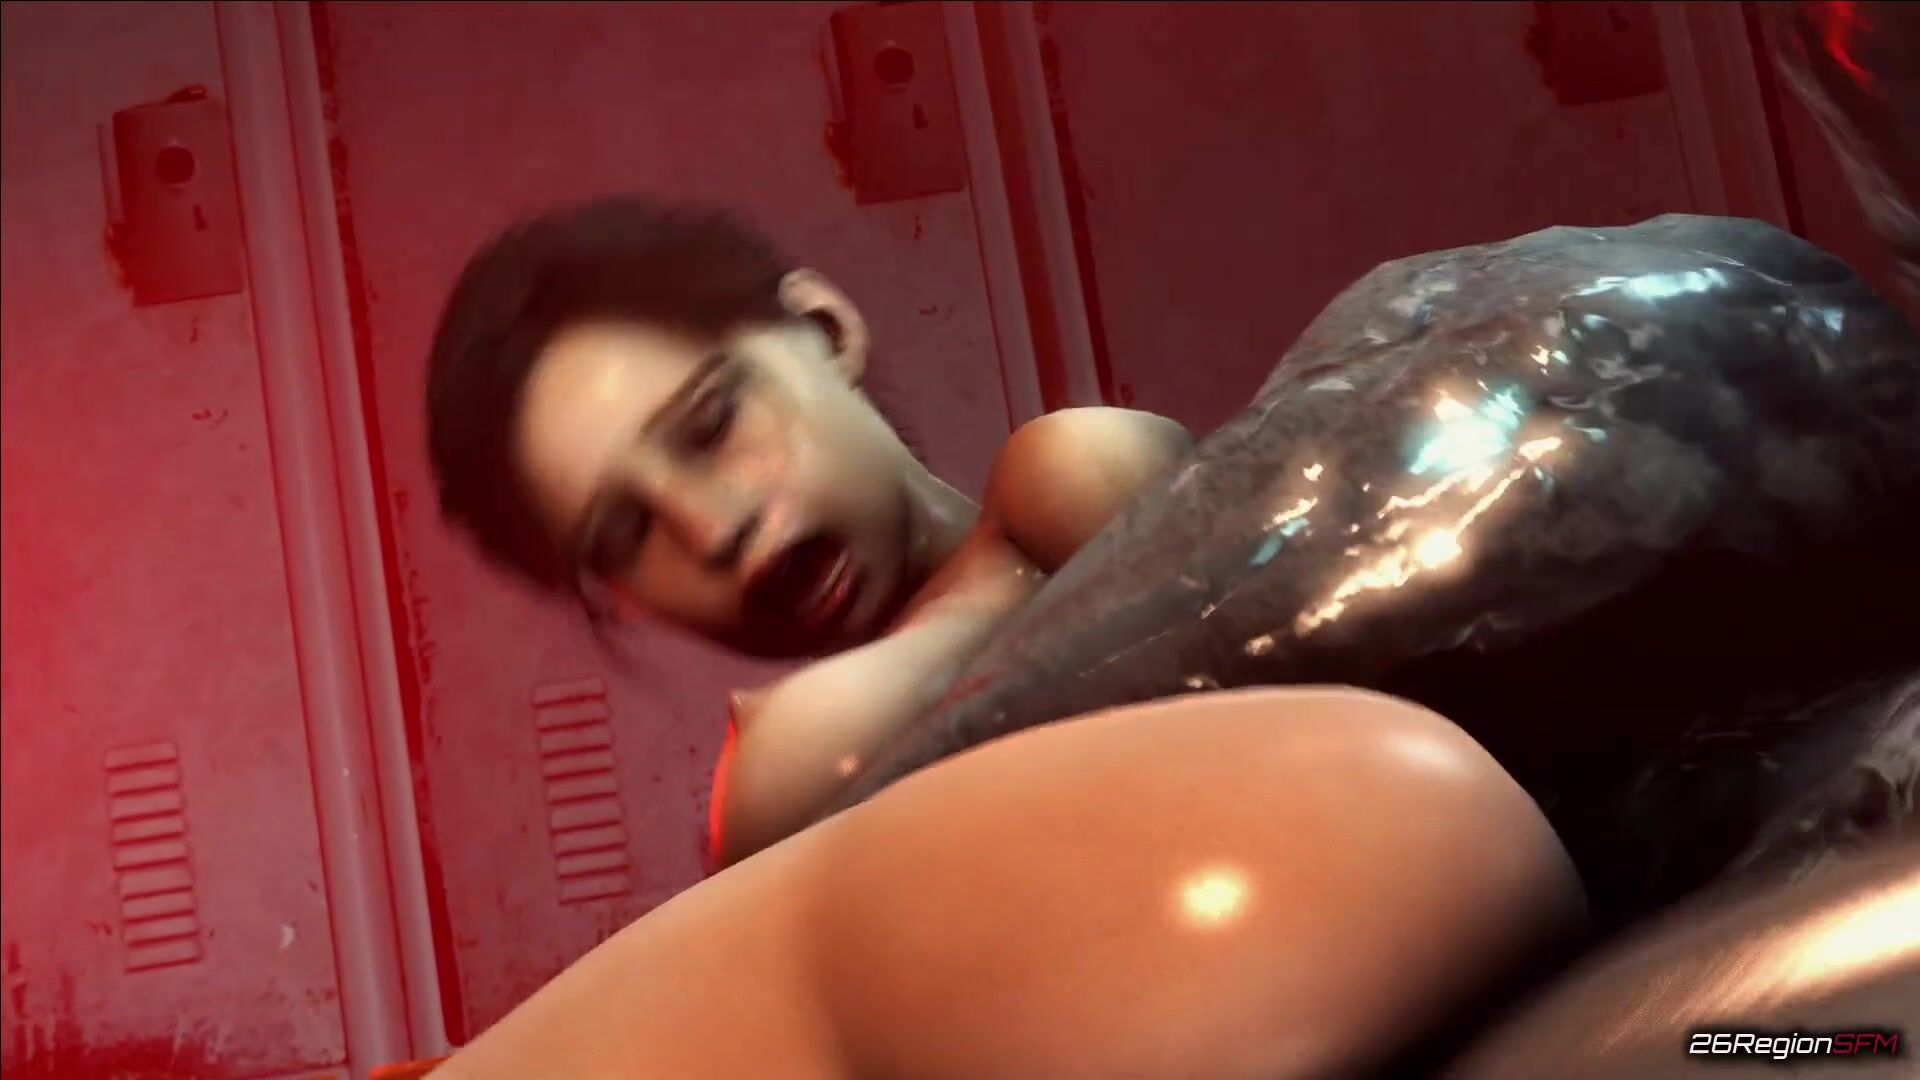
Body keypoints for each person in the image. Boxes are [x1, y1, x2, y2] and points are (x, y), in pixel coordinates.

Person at [421, 198, 1585, 1075]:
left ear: (824, 329)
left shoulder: (1069, 471)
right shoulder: (790, 759)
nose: (713, 527)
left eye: (713, 423)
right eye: (628, 535)